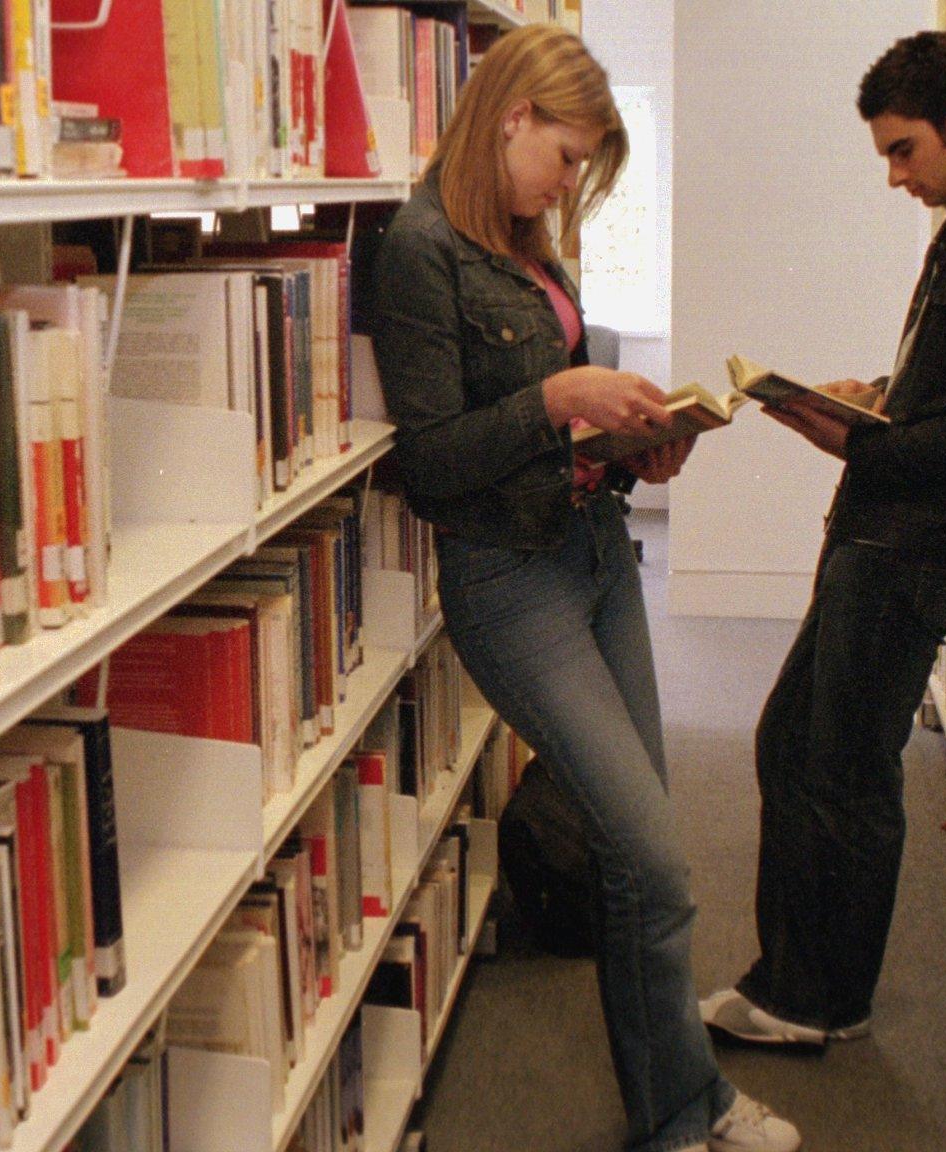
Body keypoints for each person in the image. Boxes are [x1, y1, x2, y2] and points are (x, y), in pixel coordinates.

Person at [370, 24, 800, 1152]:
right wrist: (560, 398)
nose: (567, 183)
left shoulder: (524, 243)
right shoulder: (418, 250)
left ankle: (678, 1108)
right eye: (564, 156)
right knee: (654, 854)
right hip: (510, 583)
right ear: (511, 116)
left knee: (634, 854)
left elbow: (549, 430)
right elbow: (431, 466)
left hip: (595, 551)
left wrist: (635, 445)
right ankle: (683, 1108)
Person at [700, 30, 946, 1047]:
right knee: (795, 742)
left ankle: (818, 1000)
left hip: (914, 549)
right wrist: (870, 399)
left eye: (903, 150)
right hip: (883, 535)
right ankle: (793, 979)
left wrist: (855, 441)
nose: (894, 176)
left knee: (844, 770)